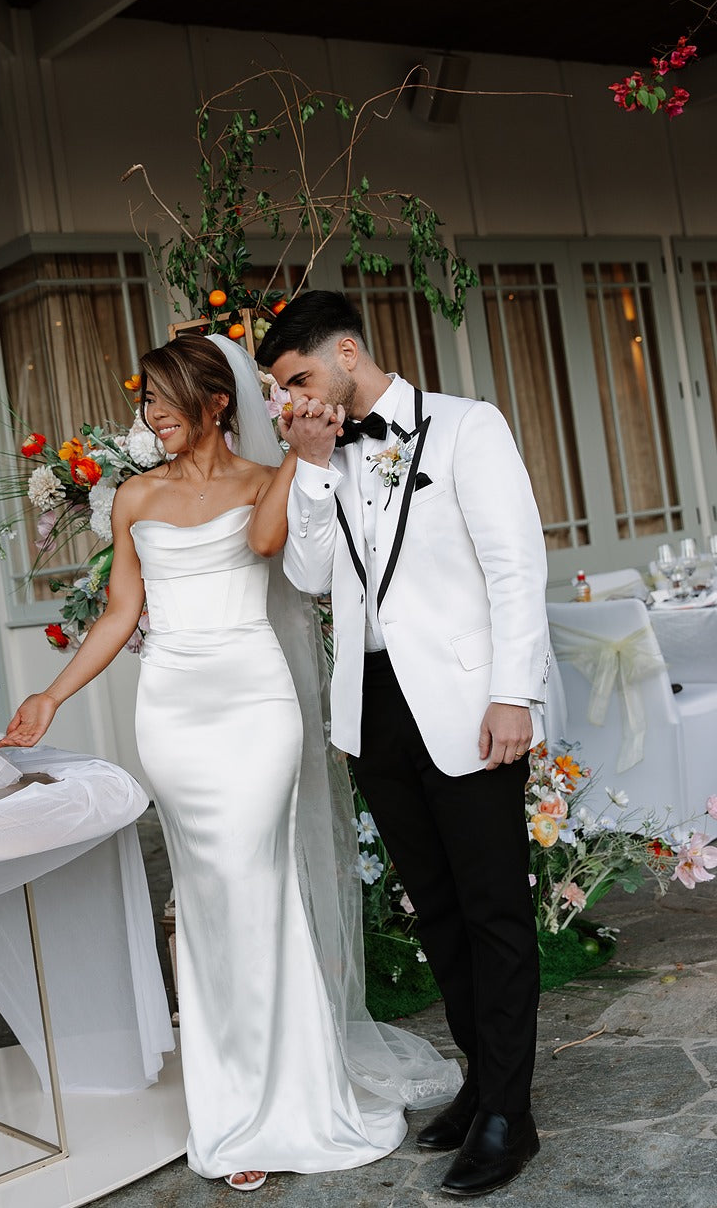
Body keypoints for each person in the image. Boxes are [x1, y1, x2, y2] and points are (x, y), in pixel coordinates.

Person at [0, 332, 459, 1192]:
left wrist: (298, 455)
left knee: (255, 891)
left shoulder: (265, 479)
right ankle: (232, 1111)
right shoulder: (132, 497)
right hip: (172, 716)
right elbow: (117, 614)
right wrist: (51, 697)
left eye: (167, 400)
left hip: (255, 706)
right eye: (146, 403)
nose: (152, 416)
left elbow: (269, 550)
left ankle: (289, 1103)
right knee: (210, 905)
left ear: (217, 402)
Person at [256, 290, 550, 1199]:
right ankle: (481, 1080)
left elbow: (515, 564)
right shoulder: (324, 452)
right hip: (374, 706)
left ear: (348, 351)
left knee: (493, 905)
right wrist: (306, 467)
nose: (292, 399)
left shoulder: (467, 428)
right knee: (437, 908)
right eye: (278, 389)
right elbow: (306, 576)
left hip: (468, 700)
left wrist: (514, 693)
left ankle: (510, 1113)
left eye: (300, 377)